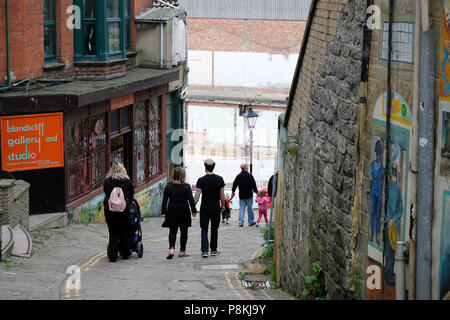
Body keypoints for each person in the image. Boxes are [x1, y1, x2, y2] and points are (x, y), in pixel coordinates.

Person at [161, 167, 197, 259]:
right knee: (184, 231)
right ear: (183, 175)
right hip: (183, 210)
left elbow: (165, 200)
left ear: (174, 175)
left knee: (172, 230)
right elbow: (191, 200)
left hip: (172, 210)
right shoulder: (186, 186)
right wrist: (194, 210)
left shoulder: (168, 186)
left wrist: (163, 212)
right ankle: (182, 251)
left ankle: (171, 249)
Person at [103, 162, 135, 262]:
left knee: (112, 232)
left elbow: (106, 193)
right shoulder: (127, 181)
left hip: (110, 210)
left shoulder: (107, 181)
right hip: (124, 210)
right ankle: (125, 252)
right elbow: (131, 195)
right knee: (124, 230)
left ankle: (113, 255)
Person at [194, 159, 226, 258]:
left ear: (205, 167)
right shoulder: (219, 179)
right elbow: (222, 194)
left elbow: (197, 195)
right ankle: (213, 250)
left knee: (204, 229)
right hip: (215, 208)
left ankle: (204, 251)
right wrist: (223, 205)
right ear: (213, 167)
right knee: (214, 229)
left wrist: (192, 206)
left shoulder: (201, 180)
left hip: (204, 208)